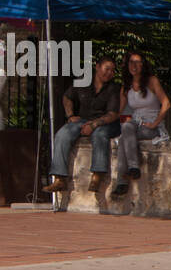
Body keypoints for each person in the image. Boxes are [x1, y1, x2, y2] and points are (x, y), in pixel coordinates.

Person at [47, 57, 120, 194]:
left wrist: (93, 125)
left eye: (112, 70)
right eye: (107, 69)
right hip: (83, 119)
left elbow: (112, 114)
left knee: (100, 134)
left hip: (105, 122)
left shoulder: (113, 88)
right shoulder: (83, 81)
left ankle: (97, 175)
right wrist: (70, 115)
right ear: (97, 67)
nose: (109, 73)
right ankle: (59, 178)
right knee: (63, 134)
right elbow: (67, 97)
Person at [111, 52, 171, 199]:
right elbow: (119, 111)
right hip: (135, 123)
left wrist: (155, 123)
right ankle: (133, 167)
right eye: (131, 62)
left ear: (143, 65)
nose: (134, 66)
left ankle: (122, 181)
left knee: (125, 137)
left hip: (152, 124)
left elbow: (166, 103)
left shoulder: (152, 81)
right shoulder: (126, 85)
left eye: (138, 62)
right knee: (126, 128)